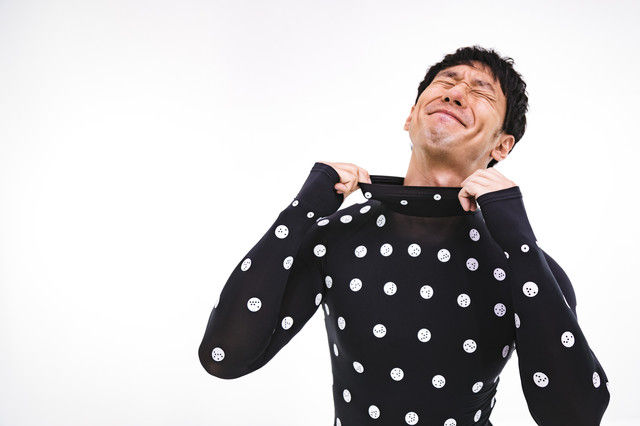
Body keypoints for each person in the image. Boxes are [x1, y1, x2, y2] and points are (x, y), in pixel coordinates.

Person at [198, 45, 611, 426]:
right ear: (411, 117)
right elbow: (223, 357)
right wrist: (300, 212)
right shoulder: (335, 239)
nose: (455, 94)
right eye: (447, 81)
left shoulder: (525, 269)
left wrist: (521, 246)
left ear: (502, 146)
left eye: (481, 92)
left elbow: (576, 417)